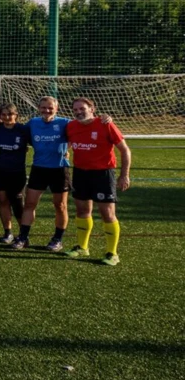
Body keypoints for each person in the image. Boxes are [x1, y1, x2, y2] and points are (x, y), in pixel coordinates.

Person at [65, 97, 132, 265]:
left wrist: (124, 175)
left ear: (92, 109)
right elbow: (68, 143)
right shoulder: (71, 126)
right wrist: (66, 151)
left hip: (103, 174)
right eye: (75, 110)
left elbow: (125, 150)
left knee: (107, 213)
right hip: (80, 173)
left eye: (82, 108)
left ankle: (112, 253)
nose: (79, 112)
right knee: (82, 211)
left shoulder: (105, 124)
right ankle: (82, 247)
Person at [15, 96, 73, 252]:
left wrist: (68, 147)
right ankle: (23, 237)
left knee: (60, 206)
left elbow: (82, 131)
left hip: (59, 169)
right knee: (30, 204)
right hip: (39, 168)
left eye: (50, 108)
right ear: (39, 108)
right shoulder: (33, 123)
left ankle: (57, 239)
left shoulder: (65, 123)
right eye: (43, 107)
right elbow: (16, 129)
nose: (46, 110)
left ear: (56, 108)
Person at [0, 103, 30, 244]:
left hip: (16, 172)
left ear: (16, 115)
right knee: (2, 201)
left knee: (17, 204)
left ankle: (23, 234)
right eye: (3, 114)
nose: (7, 117)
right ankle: (8, 232)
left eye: (10, 114)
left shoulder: (23, 130)